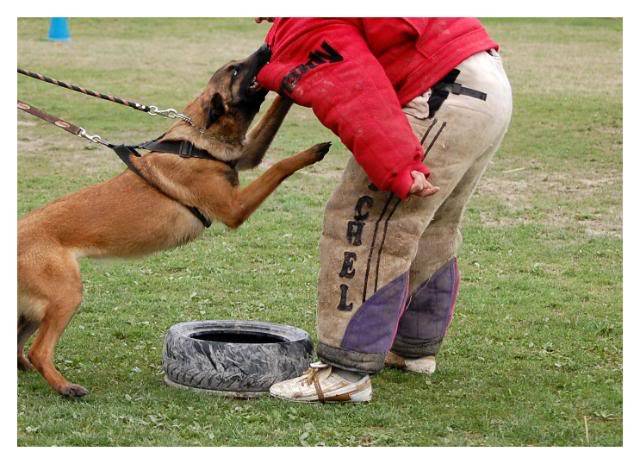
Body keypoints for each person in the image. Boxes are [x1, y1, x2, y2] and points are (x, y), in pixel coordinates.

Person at [254, 18, 512, 403]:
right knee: (433, 224)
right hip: (484, 80)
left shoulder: (309, 17)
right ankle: (413, 348)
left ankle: (346, 372)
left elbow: (355, 92)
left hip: (441, 90)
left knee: (362, 223)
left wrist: (398, 163)